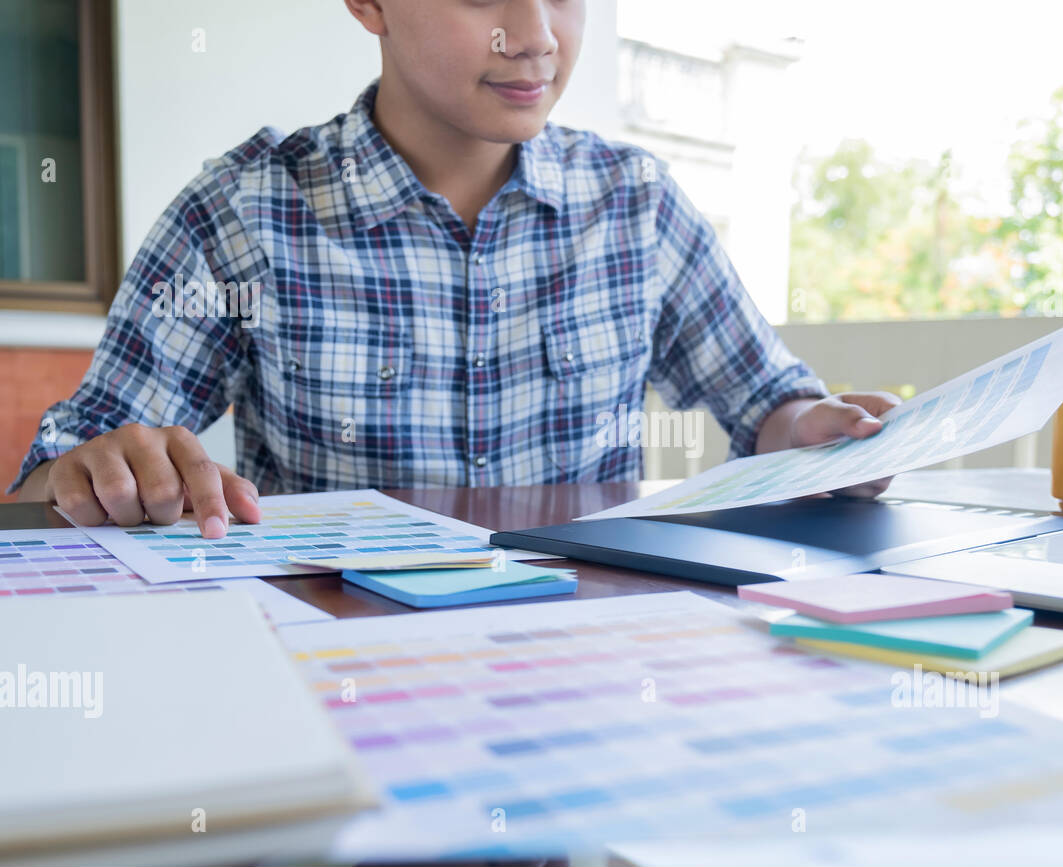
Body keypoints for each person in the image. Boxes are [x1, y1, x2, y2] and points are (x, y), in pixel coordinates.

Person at [12, 0, 898, 538]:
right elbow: (55, 478)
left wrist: (816, 430)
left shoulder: (637, 204)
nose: (537, 38)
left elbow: (769, 406)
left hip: (585, 657)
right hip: (337, 669)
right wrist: (94, 473)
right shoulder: (245, 211)